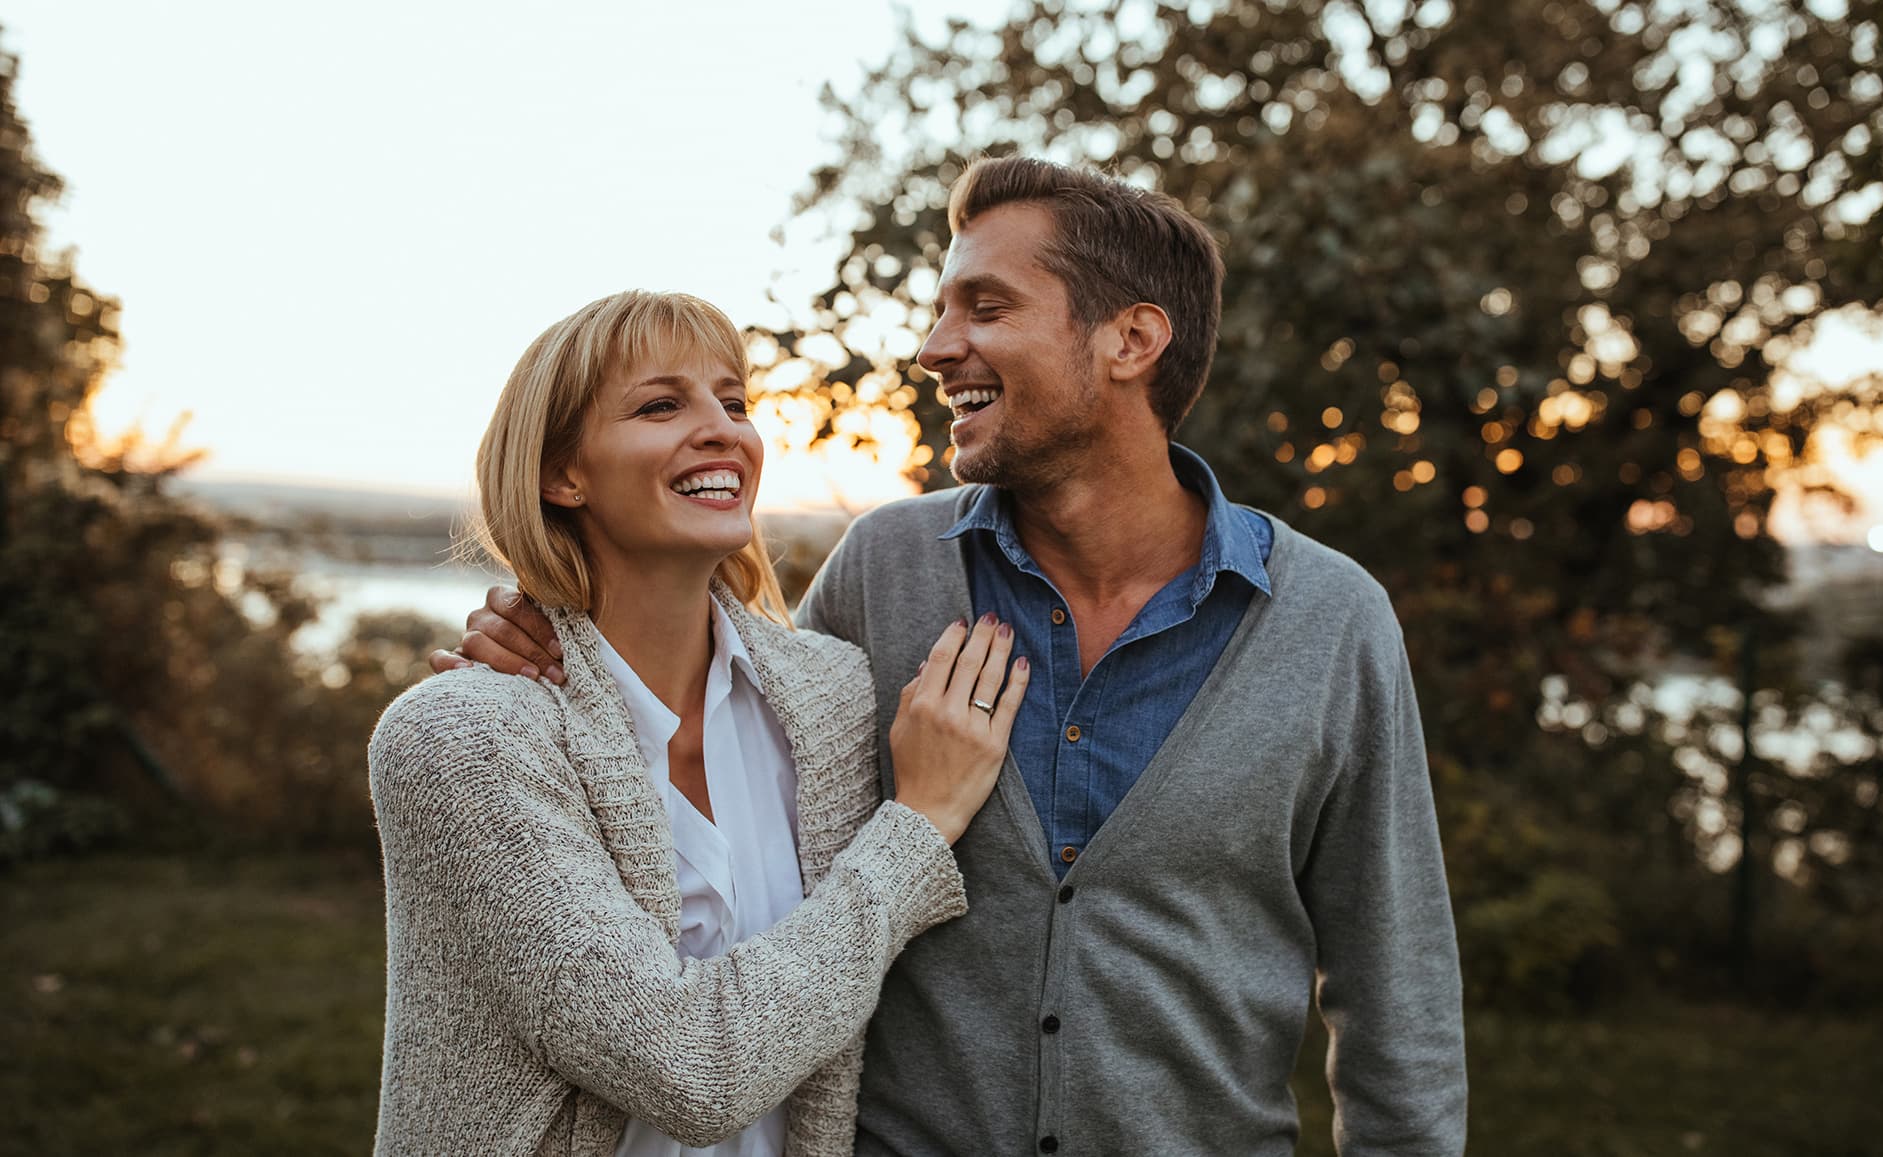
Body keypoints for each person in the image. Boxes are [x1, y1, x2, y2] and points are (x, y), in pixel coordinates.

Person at [444, 159, 1468, 1154]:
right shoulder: (883, 569)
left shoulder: (1329, 620)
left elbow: (1396, 991)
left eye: (983, 306)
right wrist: (551, 630)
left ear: (1130, 338)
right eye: (942, 311)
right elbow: (731, 731)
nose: (935, 348)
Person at [371, 289, 1029, 1157]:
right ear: (560, 474)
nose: (723, 429)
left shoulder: (834, 696)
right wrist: (919, 825)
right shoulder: (463, 739)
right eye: (660, 404)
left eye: (734, 402)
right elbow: (692, 1069)